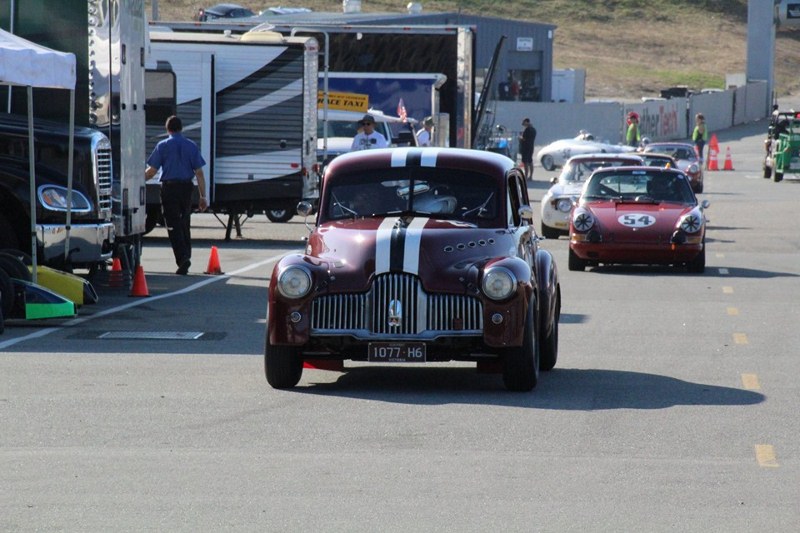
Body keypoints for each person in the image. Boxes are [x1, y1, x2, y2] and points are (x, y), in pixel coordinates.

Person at [145, 115, 208, 275]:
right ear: (181, 128)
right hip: (187, 188)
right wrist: (203, 196)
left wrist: (136, 179)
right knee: (184, 221)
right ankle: (187, 254)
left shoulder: (162, 145)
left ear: (168, 129)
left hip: (169, 189)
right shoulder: (191, 146)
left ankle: (182, 258)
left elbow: (152, 171)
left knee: (172, 224)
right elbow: (199, 172)